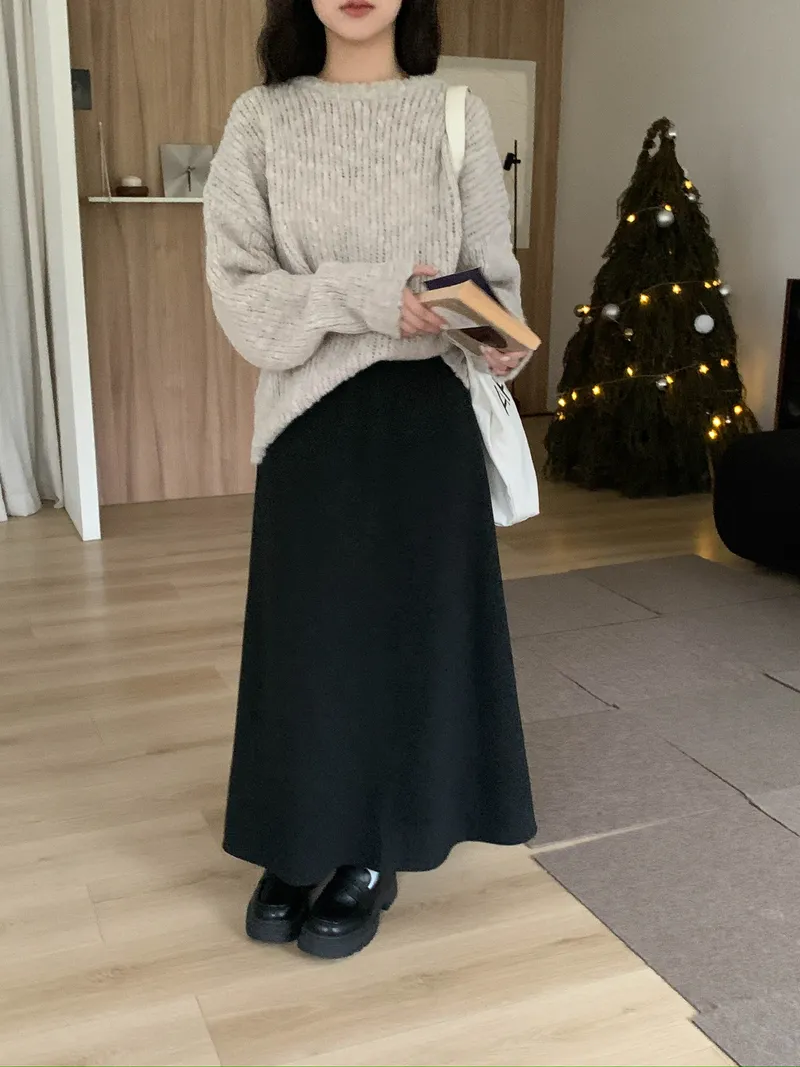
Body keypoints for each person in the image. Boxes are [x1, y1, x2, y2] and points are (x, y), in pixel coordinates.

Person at [203, 0, 537, 961]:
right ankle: (296, 837)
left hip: (427, 421)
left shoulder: (456, 115)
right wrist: (368, 294)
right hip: (308, 421)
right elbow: (240, 291)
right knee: (305, 642)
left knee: (406, 639)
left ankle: (372, 844)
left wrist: (500, 338)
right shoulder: (261, 119)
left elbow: (495, 281)